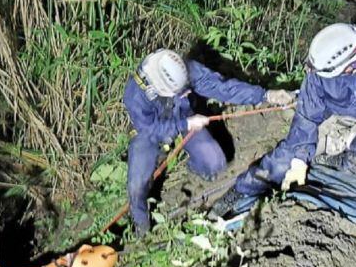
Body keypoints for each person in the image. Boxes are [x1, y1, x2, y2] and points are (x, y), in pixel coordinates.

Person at [209, 24, 356, 217]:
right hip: (327, 121)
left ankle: (336, 160)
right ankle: (238, 191)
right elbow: (307, 116)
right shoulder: (320, 70)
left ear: (351, 66)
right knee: (283, 160)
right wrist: (298, 160)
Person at [125, 49, 294, 234]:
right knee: (137, 185)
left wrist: (266, 95)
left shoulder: (187, 71)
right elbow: (149, 130)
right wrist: (186, 123)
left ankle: (195, 177)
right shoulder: (136, 93)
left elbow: (223, 88)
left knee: (215, 162)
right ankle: (141, 229)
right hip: (151, 130)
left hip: (185, 117)